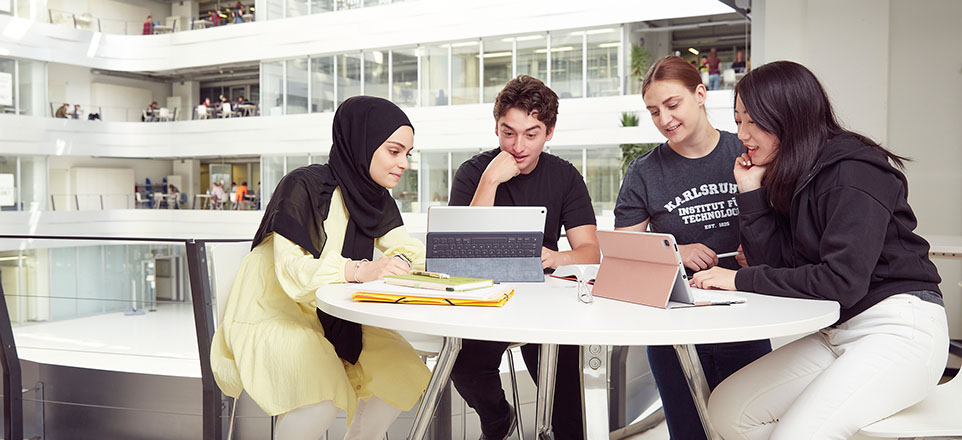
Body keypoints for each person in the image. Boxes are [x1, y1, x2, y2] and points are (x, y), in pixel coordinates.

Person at [691, 61, 948, 440]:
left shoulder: (854, 168)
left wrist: (737, 279)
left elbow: (841, 281)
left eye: (753, 121)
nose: (742, 133)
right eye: (738, 120)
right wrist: (751, 192)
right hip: (837, 328)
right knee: (725, 412)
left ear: (788, 117)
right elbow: (774, 267)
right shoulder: (793, 172)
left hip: (901, 329)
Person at [210, 96, 430, 440]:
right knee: (321, 398)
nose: (403, 163)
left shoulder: (374, 199)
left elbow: (406, 249)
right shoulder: (303, 185)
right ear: (363, 143)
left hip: (331, 314)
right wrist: (362, 270)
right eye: (394, 151)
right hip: (272, 309)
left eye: (408, 154)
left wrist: (452, 261)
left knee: (404, 370)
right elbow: (292, 272)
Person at [613, 55, 772, 440]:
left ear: (700, 94)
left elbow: (786, 230)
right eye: (653, 111)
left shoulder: (750, 150)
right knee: (688, 432)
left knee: (749, 430)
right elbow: (621, 254)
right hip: (676, 329)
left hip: (744, 320)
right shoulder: (645, 172)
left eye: (672, 105)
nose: (664, 119)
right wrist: (674, 251)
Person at [448, 75, 600, 440]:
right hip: (487, 299)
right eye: (508, 132)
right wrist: (490, 182)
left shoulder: (565, 176)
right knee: (465, 367)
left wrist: (554, 257)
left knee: (567, 400)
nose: (517, 146)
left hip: (541, 301)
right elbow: (457, 248)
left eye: (531, 134)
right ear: (496, 128)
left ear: (549, 132)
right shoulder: (474, 172)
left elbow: (589, 251)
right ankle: (499, 420)